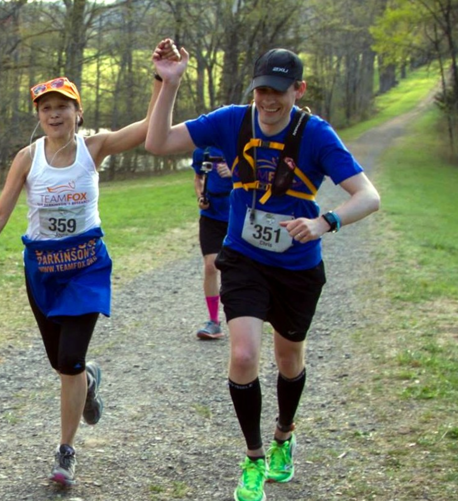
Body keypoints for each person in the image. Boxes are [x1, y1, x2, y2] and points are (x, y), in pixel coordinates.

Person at [146, 47, 380, 501]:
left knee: (289, 357)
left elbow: (368, 196)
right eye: (261, 91)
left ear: (299, 90)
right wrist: (169, 83)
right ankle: (254, 459)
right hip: (244, 259)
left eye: (278, 91)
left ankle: (283, 436)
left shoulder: (316, 135)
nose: (268, 101)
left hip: (297, 267)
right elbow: (158, 143)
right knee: (243, 356)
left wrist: (323, 222)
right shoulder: (233, 120)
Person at [0, 41, 179, 487]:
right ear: (38, 115)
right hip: (42, 269)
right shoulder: (27, 158)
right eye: (45, 108)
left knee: (71, 360)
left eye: (62, 107)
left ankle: (65, 451)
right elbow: (0, 213)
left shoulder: (94, 147)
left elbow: (145, 129)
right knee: (64, 364)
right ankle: (89, 382)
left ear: (77, 112)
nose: (54, 115)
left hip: (85, 267)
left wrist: (161, 79)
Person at [192, 146, 232, 339]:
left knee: (242, 268)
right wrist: (201, 196)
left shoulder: (240, 141)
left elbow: (261, 173)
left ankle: (250, 315)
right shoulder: (203, 149)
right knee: (210, 266)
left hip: (239, 213)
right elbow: (198, 178)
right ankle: (214, 321)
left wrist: (235, 172)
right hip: (211, 216)